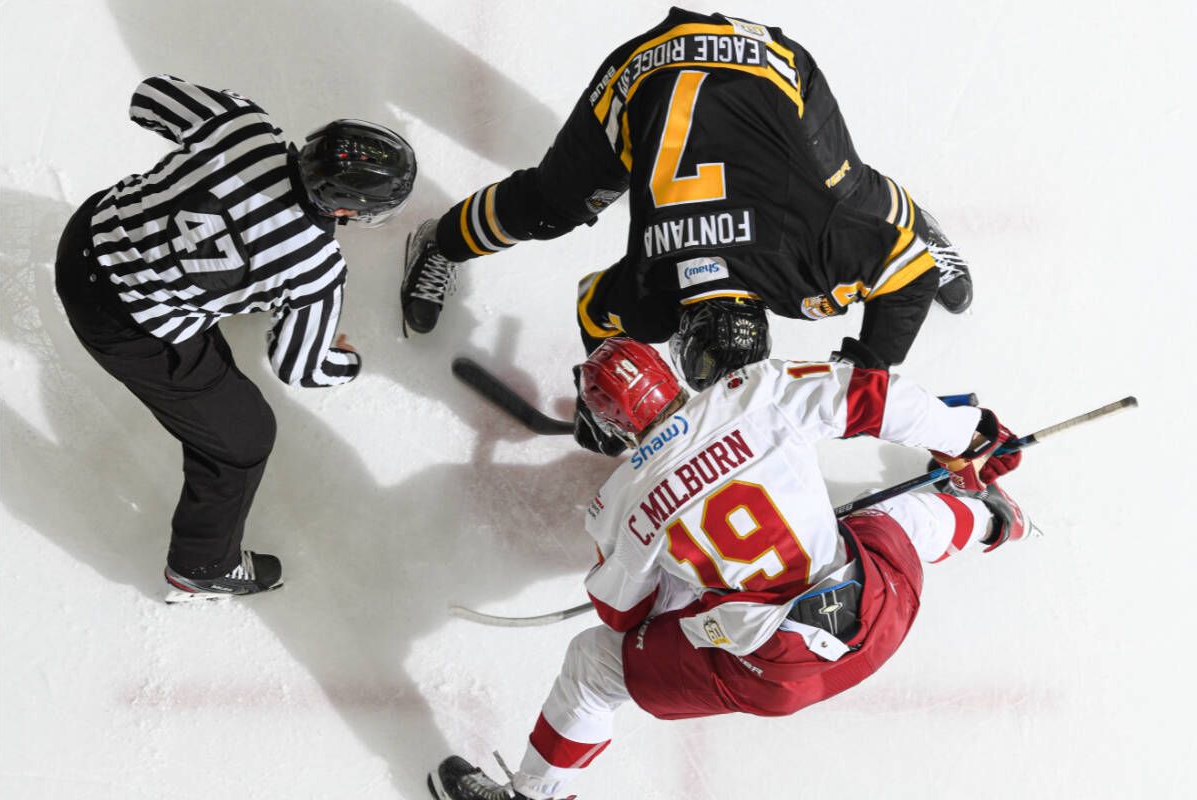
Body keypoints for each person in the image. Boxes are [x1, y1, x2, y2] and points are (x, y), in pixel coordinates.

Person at [427, 337, 1027, 800]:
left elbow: (622, 613)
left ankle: (534, 796)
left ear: (613, 425)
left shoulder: (621, 503)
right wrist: (968, 435)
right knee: (890, 521)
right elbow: (876, 397)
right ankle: (994, 519)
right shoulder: (754, 389)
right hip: (885, 607)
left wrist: (683, 571)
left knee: (592, 666)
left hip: (777, 673)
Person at [401, 8, 972, 396]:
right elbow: (593, 307)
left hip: (758, 65)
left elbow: (908, 273)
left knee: (846, 194)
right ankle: (441, 243)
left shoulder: (799, 267)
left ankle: (919, 227)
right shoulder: (654, 293)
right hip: (657, 69)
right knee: (550, 203)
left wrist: (865, 377)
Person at [54, 75, 416, 602]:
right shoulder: (315, 270)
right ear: (343, 210)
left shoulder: (243, 128)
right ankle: (200, 569)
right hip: (124, 325)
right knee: (245, 441)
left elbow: (149, 96)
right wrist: (348, 360)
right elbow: (300, 368)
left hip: (89, 233)